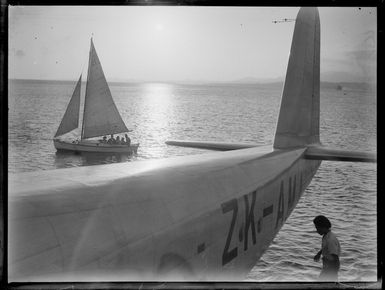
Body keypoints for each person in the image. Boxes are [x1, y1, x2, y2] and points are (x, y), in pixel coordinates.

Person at [313, 215, 341, 281]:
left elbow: (336, 258)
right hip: (326, 265)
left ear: (324, 227)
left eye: (318, 228)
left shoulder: (330, 240)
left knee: (324, 282)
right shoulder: (326, 236)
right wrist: (319, 254)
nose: (317, 230)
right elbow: (325, 247)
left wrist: (335, 273)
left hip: (331, 267)